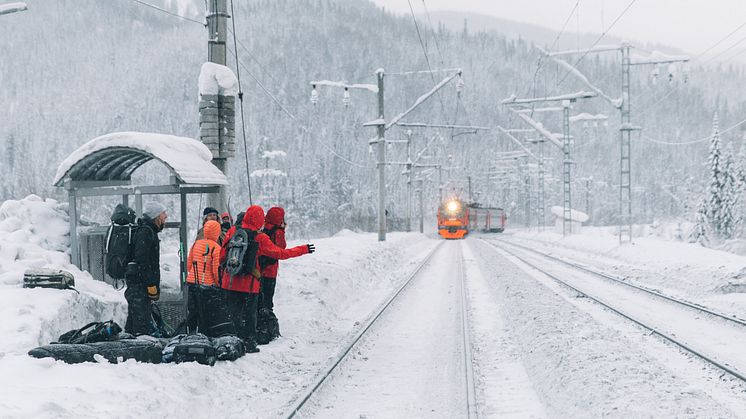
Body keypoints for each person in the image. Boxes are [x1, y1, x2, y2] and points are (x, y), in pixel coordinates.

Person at [219, 205, 315, 352]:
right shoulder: (260, 238)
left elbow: (222, 256)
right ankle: (249, 343)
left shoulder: (233, 231)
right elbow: (281, 253)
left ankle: (231, 341)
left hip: (229, 282)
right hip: (249, 286)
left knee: (233, 313)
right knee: (250, 315)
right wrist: (304, 249)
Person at [124, 201, 167, 336]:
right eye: (163, 214)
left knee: (134, 320)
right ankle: (139, 352)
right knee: (141, 325)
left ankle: (130, 350)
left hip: (139, 284)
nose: (166, 216)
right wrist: (150, 284)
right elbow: (143, 260)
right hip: (139, 285)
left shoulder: (148, 231)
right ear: (156, 216)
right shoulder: (146, 232)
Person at [185, 220, 234, 336]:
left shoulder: (196, 244)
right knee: (205, 313)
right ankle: (204, 336)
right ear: (217, 233)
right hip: (207, 286)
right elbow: (215, 270)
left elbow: (189, 265)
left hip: (192, 283)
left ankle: (190, 334)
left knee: (193, 311)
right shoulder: (216, 248)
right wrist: (218, 284)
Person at [258, 207, 287, 312]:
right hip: (270, 270)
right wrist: (282, 230)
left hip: (259, 268)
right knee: (268, 298)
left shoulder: (262, 227)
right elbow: (281, 248)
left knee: (258, 297)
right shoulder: (278, 231)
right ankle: (266, 321)